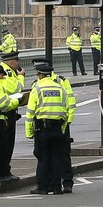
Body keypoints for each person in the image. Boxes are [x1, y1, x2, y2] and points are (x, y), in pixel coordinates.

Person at [24, 60, 71, 195]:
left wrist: (29, 132)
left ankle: (43, 187)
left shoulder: (37, 89)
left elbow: (30, 112)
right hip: (57, 128)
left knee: (43, 158)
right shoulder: (60, 88)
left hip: (42, 128)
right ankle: (57, 187)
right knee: (56, 157)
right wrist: (62, 129)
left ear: (41, 75)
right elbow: (66, 110)